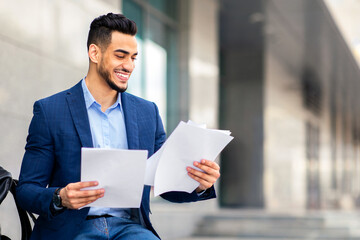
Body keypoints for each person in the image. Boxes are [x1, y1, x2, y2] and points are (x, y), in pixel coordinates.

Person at [16, 13, 220, 240]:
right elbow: (26, 190)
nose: (129, 66)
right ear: (95, 53)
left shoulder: (147, 113)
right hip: (70, 230)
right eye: (121, 56)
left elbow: (165, 184)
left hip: (129, 228)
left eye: (133, 57)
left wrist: (198, 184)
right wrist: (59, 197)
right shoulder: (50, 111)